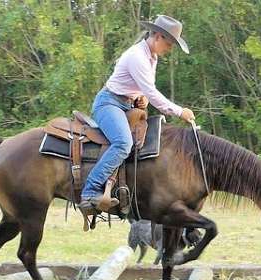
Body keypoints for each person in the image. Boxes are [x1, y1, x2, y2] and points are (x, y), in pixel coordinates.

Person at [79, 15, 195, 212]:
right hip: (109, 103)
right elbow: (152, 91)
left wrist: (142, 98)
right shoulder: (137, 57)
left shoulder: (152, 57)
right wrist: (179, 111)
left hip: (127, 104)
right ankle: (89, 192)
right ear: (158, 36)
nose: (170, 48)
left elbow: (145, 90)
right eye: (169, 43)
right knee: (123, 143)